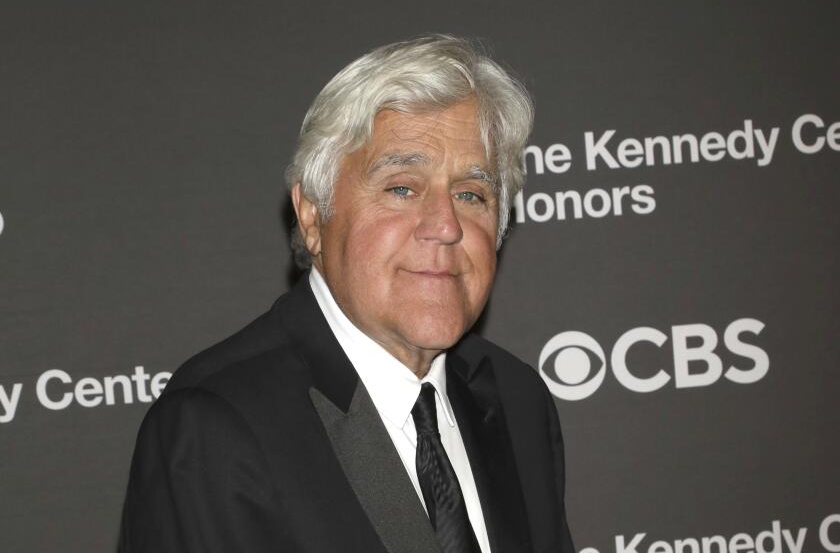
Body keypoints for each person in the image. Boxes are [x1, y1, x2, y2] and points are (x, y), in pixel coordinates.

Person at [119, 35, 575, 553]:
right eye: (402, 188)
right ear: (313, 216)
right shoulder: (214, 427)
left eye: (471, 194)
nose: (446, 225)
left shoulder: (518, 401)